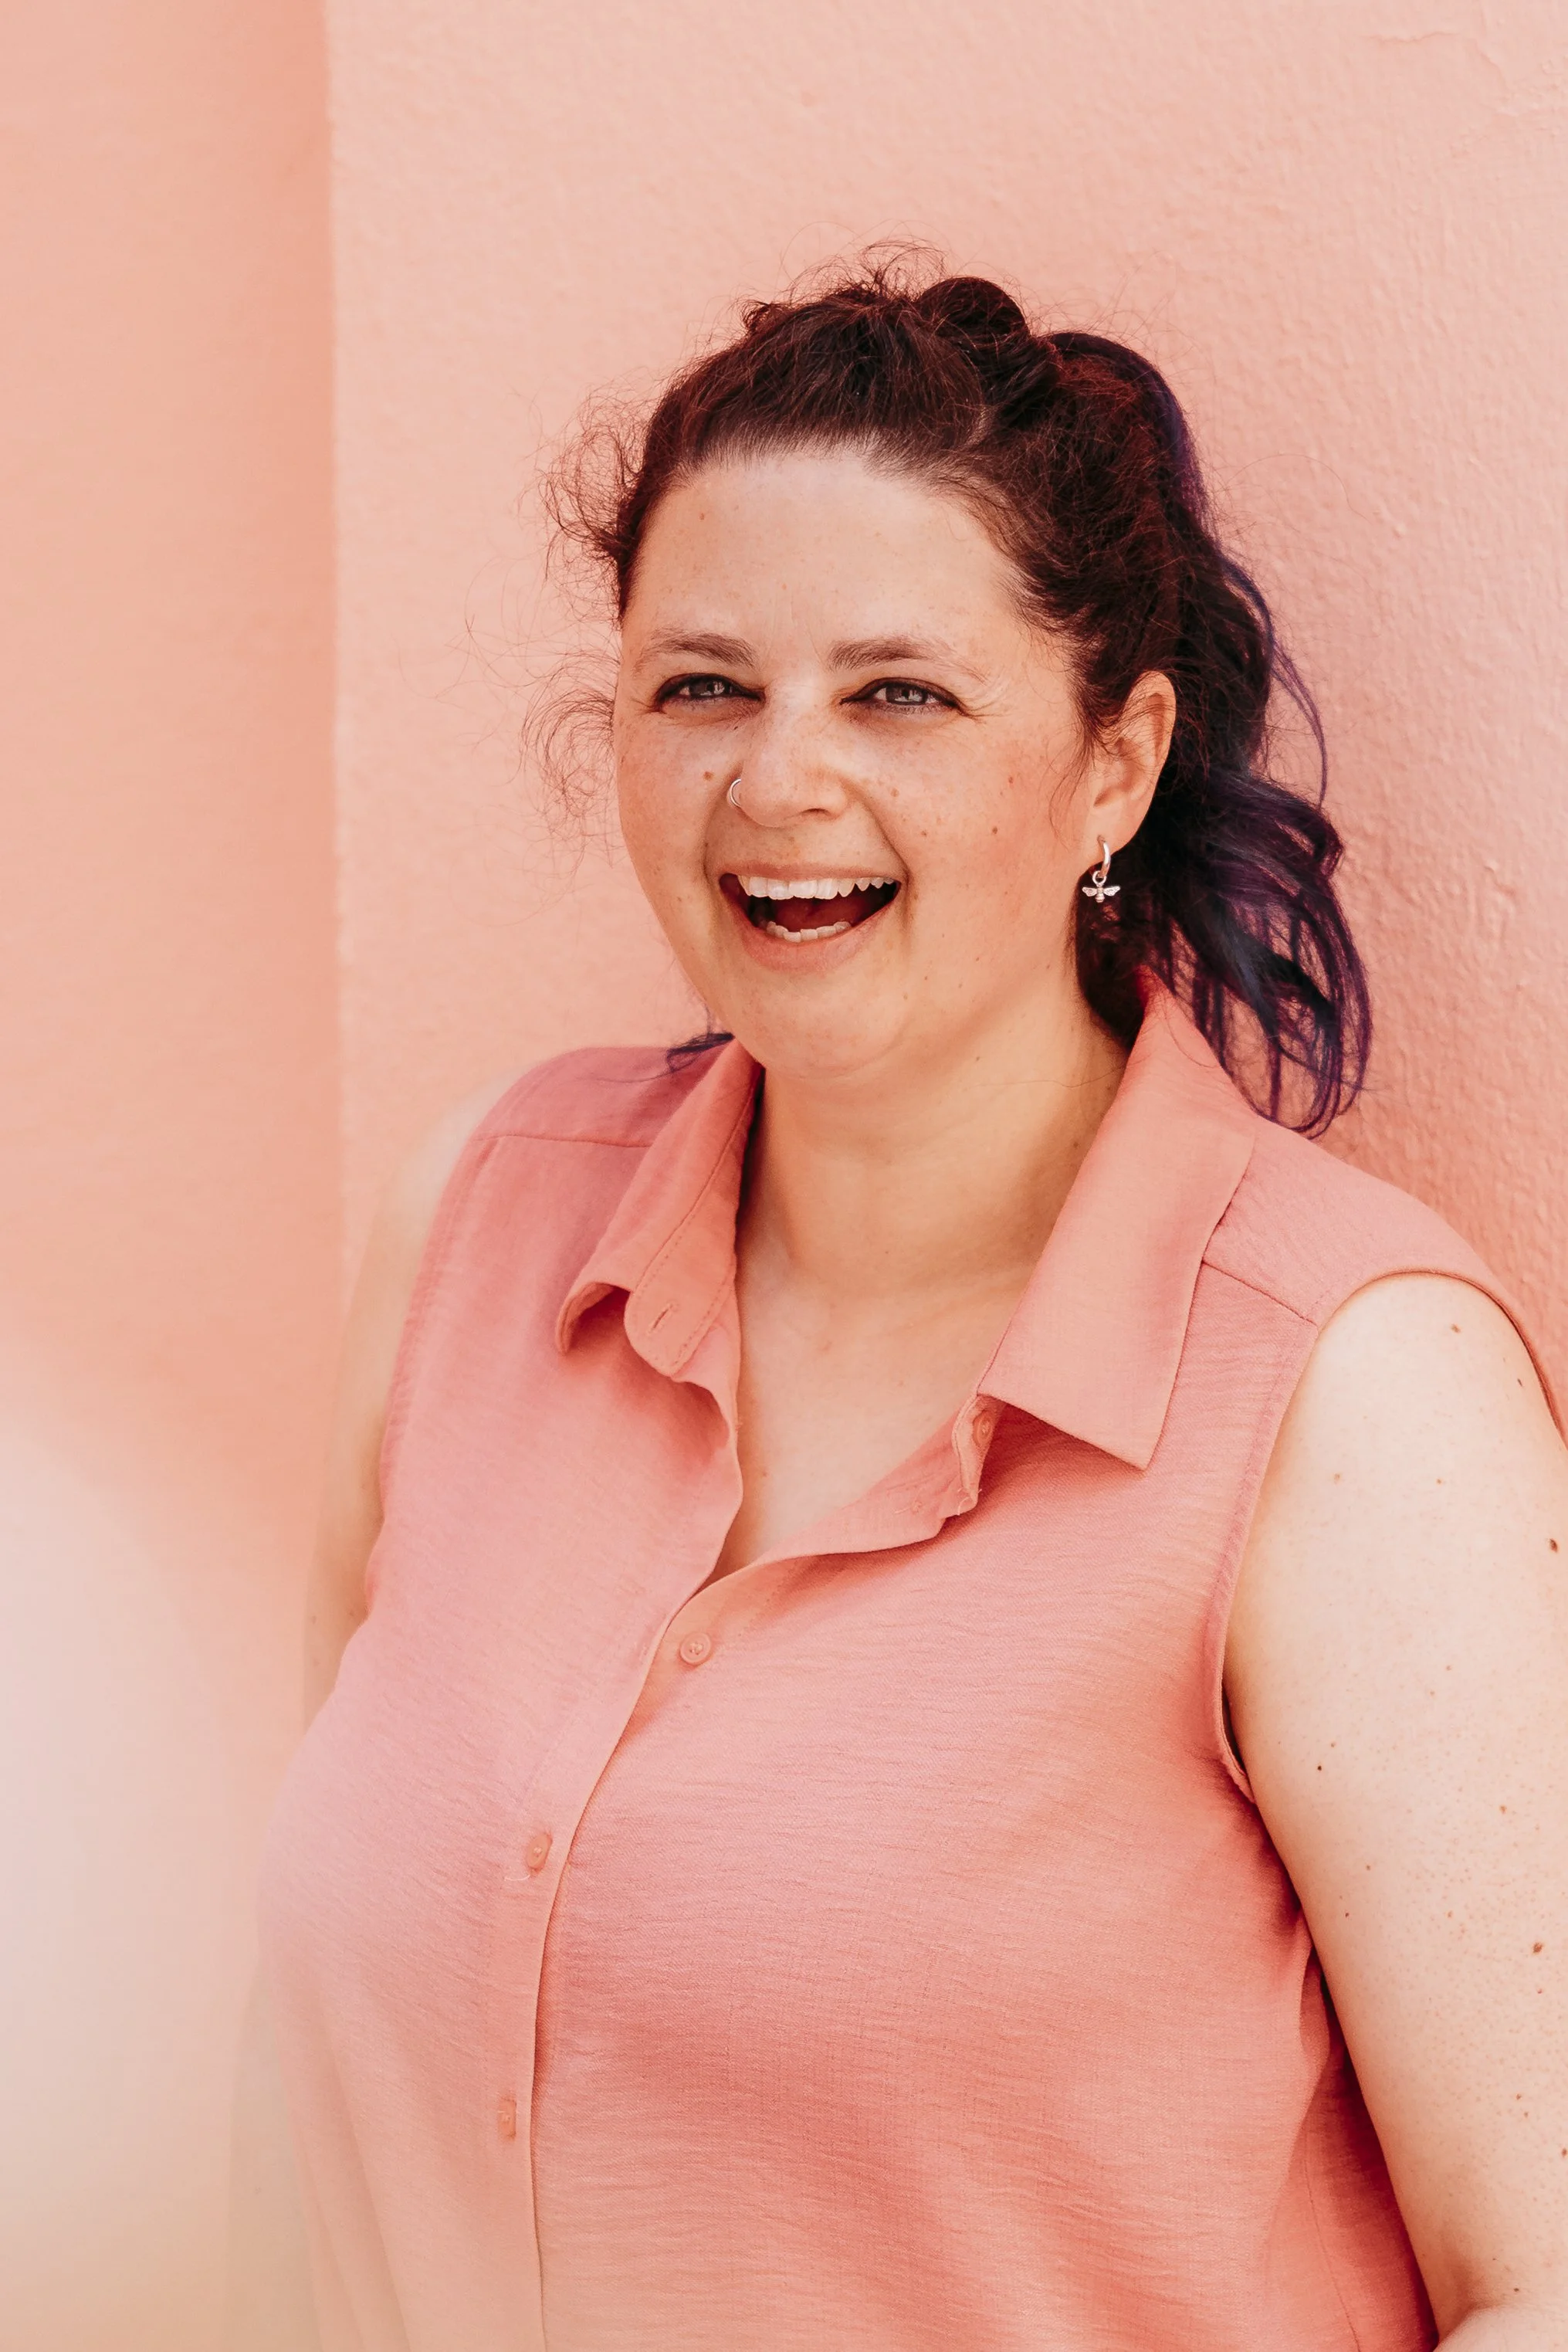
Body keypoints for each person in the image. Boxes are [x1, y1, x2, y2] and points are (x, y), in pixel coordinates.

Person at [256, 263, 1568, 2351]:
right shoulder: (477, 1225)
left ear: (1114, 758)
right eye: (702, 686)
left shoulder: (1352, 1393)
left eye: (896, 693)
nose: (777, 781)